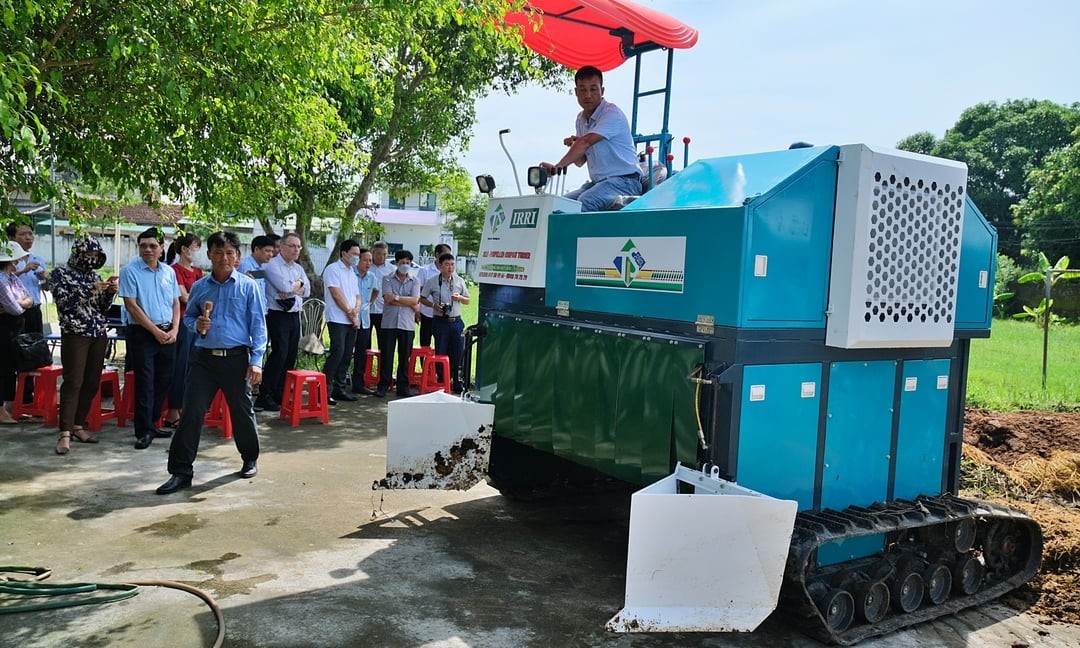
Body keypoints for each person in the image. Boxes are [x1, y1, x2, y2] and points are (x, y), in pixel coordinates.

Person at [155, 231, 268, 495]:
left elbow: (259, 328)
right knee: (191, 413)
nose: (224, 258)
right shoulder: (201, 287)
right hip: (204, 360)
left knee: (242, 412)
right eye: (218, 253)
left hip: (237, 358)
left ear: (237, 257)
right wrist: (197, 323)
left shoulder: (247, 286)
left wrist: (256, 361)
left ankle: (249, 457)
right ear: (209, 256)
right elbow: (188, 318)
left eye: (229, 253)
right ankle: (181, 472)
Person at [540, 65, 641, 212]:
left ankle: (580, 236)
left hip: (625, 181)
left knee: (586, 201)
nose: (588, 95)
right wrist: (575, 146)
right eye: (583, 90)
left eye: (593, 89)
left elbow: (586, 142)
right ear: (576, 92)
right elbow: (581, 162)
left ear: (602, 91)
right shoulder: (580, 119)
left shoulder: (612, 114)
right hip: (598, 183)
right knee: (559, 205)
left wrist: (558, 167)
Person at [50, 237, 117, 453]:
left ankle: (78, 425)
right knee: (74, 381)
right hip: (75, 333)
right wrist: (90, 289)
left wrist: (108, 292)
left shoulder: (94, 275)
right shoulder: (60, 274)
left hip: (98, 333)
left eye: (95, 256)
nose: (92, 260)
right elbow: (63, 303)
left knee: (91, 382)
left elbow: (102, 308)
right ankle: (65, 432)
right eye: (88, 255)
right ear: (78, 253)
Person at [119, 227, 180, 450]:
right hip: (143, 334)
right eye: (143, 245)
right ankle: (143, 430)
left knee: (164, 380)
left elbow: (175, 303)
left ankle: (154, 422)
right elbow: (132, 306)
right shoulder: (130, 271)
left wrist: (174, 330)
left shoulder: (168, 272)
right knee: (145, 382)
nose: (148, 250)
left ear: (162, 248)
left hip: (168, 333)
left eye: (153, 245)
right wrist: (155, 331)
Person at [257, 232, 309, 411]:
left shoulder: (298, 268)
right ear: (283, 247)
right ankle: (266, 394)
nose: (296, 250)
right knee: (280, 353)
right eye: (292, 246)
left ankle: (281, 392)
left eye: (298, 247)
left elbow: (307, 290)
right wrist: (296, 286)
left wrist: (294, 287)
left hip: (294, 314)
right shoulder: (272, 265)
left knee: (291, 355)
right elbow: (284, 287)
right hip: (278, 314)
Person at [163, 233, 203, 428]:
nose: (197, 251)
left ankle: (186, 407)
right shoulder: (174, 270)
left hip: (197, 324)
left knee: (193, 368)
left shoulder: (198, 272)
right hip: (183, 323)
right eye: (195, 247)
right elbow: (184, 297)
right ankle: (173, 409)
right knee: (180, 366)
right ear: (185, 249)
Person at [7, 222, 49, 404]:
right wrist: (24, 269)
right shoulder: (7, 260)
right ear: (11, 238)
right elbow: (5, 279)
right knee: (14, 353)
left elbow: (43, 287)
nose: (28, 238)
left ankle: (29, 396)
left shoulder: (38, 259)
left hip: (33, 311)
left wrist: (46, 281)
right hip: (13, 312)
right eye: (23, 234)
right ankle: (11, 398)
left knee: (35, 353)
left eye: (30, 234)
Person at [420, 252, 470, 393]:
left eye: (452, 264)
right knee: (441, 351)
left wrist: (459, 297)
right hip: (440, 321)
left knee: (458, 352)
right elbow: (422, 298)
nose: (450, 267)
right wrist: (433, 305)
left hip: (456, 321)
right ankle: (442, 381)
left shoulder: (459, 280)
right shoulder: (432, 281)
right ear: (440, 266)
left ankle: (456, 381)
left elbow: (468, 300)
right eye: (447, 265)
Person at [322, 239, 362, 404]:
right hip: (338, 318)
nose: (356, 258)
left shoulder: (352, 272)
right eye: (354, 254)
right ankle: (324, 390)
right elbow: (336, 294)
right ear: (344, 253)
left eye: (358, 255)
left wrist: (356, 310)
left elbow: (357, 295)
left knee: (346, 355)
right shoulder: (333, 269)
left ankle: (339, 389)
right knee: (337, 353)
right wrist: (349, 312)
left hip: (352, 319)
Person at [377, 250, 420, 398]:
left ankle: (403, 386)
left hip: (407, 324)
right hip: (389, 323)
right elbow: (388, 298)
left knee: (404, 357)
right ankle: (383, 385)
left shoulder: (415, 281)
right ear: (396, 263)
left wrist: (397, 298)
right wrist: (405, 299)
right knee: (387, 355)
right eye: (402, 262)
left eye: (408, 263)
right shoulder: (387, 279)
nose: (405, 265)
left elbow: (415, 300)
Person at [0, 242, 32, 425]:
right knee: (3, 369)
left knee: (11, 368)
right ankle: (1, 409)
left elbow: (29, 298)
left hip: (14, 329)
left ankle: (11, 407)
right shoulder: (1, 280)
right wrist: (21, 303)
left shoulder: (11, 277)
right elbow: (15, 309)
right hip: (4, 329)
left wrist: (20, 302)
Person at [349, 248, 379, 395]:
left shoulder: (372, 277)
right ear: (358, 260)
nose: (368, 263)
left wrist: (370, 302)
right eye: (365, 260)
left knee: (361, 353)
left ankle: (358, 384)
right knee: (346, 352)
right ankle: (339, 383)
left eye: (370, 261)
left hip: (365, 320)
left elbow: (376, 290)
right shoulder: (350, 274)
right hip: (350, 318)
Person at [416, 243, 451, 348]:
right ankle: (425, 364)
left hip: (443, 315)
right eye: (445, 254)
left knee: (441, 344)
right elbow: (418, 291)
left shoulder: (451, 271)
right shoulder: (425, 271)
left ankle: (438, 364)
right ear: (437, 255)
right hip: (427, 313)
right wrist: (417, 310)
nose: (447, 257)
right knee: (425, 344)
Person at [368, 241, 395, 353]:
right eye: (379, 253)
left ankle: (382, 369)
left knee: (384, 344)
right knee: (364, 343)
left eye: (384, 254)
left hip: (384, 311)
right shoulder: (366, 266)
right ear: (373, 253)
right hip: (366, 310)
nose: (382, 256)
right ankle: (364, 368)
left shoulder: (392, 270)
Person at [239, 234, 275, 313]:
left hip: (260, 312)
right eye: (267, 251)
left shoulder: (261, 267)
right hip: (249, 313)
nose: (271, 255)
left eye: (272, 251)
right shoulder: (246, 265)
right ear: (256, 249)